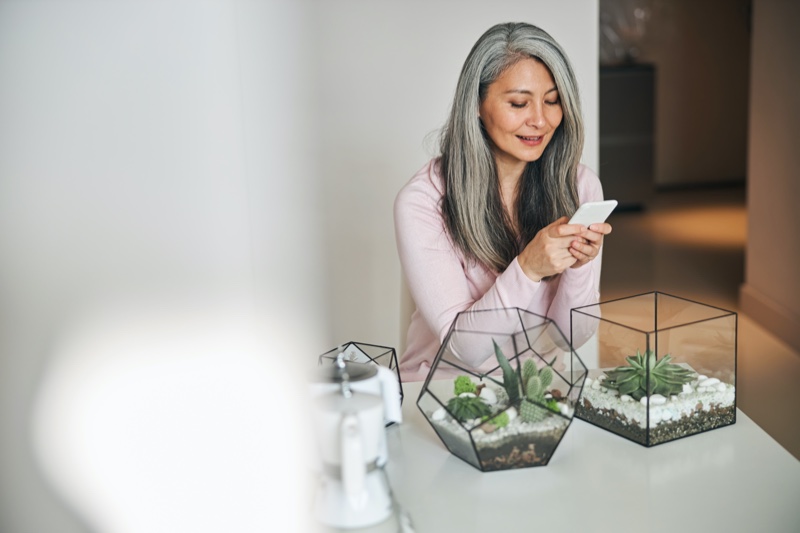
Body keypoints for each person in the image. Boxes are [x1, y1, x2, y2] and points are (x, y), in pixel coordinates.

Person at [394, 22, 612, 381]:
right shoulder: (424, 201)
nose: (540, 120)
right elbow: (466, 350)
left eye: (553, 100)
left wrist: (577, 268)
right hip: (445, 396)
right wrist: (528, 268)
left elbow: (571, 338)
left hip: (538, 395)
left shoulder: (581, 187)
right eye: (518, 103)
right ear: (477, 105)